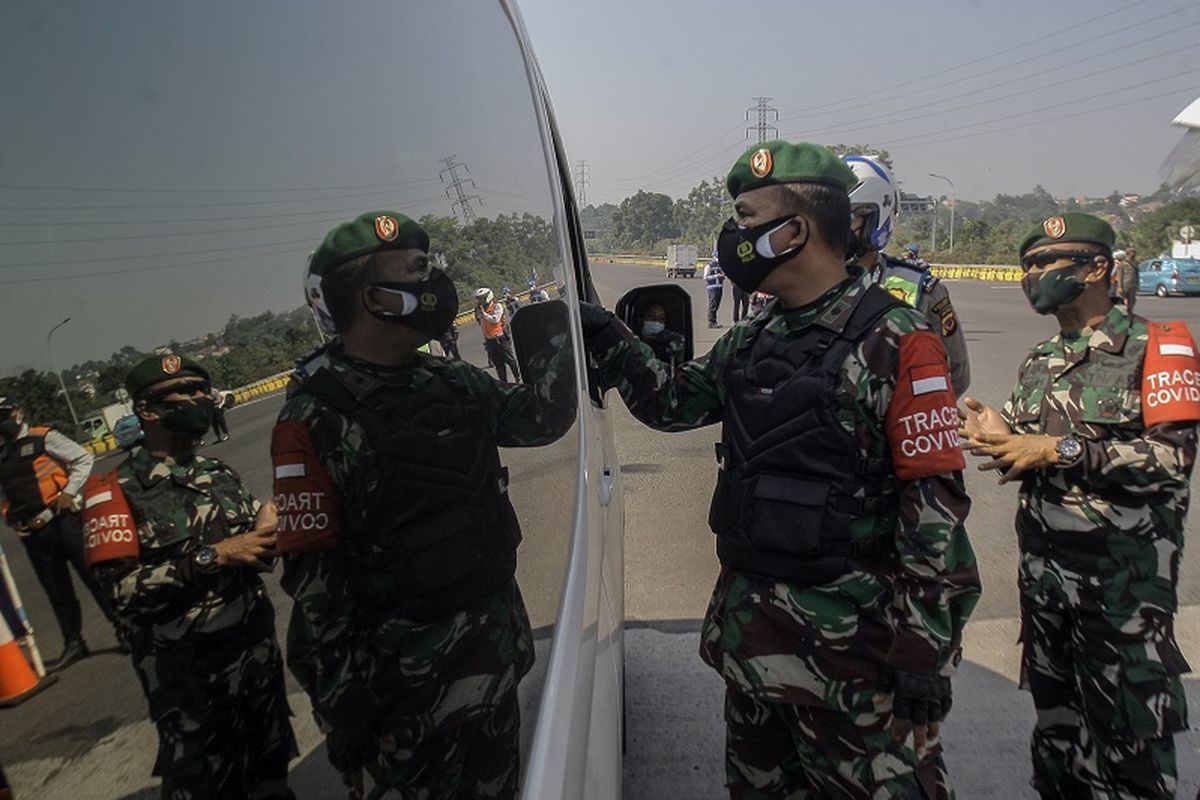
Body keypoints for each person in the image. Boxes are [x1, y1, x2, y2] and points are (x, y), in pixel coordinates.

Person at [581, 141, 979, 798]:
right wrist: (614, 342)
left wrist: (924, 651)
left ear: (793, 231)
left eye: (746, 219)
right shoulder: (751, 340)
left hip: (853, 662)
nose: (734, 237)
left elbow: (934, 508)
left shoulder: (899, 339)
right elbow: (674, 405)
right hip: (754, 650)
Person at [275, 211, 573, 798]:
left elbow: (540, 419)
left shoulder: (454, 382)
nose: (434, 282)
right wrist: (349, 724)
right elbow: (317, 596)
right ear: (373, 297)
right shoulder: (313, 418)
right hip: (403, 703)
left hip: (492, 664)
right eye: (417, 272)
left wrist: (562, 338)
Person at [959, 213, 1194, 800]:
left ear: (1097, 269)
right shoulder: (1039, 360)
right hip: (1046, 592)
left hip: (1121, 599)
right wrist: (999, 430)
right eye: (1029, 265)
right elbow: (1025, 446)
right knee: (1058, 748)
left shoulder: (1158, 347)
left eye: (1049, 262)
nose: (1034, 274)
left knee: (1130, 758)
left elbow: (1171, 460)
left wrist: (1055, 448)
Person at [82, 354, 296, 799]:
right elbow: (121, 594)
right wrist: (213, 556)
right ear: (148, 410)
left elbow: (254, 558)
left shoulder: (217, 474)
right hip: (191, 686)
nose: (201, 399)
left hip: (256, 666)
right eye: (187, 392)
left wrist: (266, 533)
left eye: (203, 390)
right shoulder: (114, 491)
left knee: (273, 785)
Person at [0, 398, 121, 670]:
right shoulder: (3, 454)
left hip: (63, 520)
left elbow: (82, 457)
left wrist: (69, 492)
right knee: (56, 589)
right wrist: (10, 519)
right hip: (32, 532)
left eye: (3, 415)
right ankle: (74, 642)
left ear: (17, 413)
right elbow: (3, 493)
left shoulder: (43, 437)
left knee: (95, 576)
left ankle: (123, 629)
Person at [844, 155, 971, 395]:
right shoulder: (803, 283)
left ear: (877, 216)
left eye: (848, 218)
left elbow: (956, 374)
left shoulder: (919, 289)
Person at [474, 287, 521, 382]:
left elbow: (495, 320)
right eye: (479, 298)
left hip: (500, 337)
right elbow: (480, 322)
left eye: (482, 298)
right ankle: (504, 383)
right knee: (498, 364)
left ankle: (517, 377)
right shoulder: (478, 310)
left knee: (510, 360)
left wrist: (484, 314)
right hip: (489, 340)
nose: (480, 301)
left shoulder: (497, 306)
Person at [638, 302, 686, 373]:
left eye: (661, 319)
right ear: (641, 320)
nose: (656, 321)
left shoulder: (671, 340)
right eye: (651, 316)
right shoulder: (633, 342)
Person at [703, 256, 725, 328]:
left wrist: (722, 276)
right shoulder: (709, 266)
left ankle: (714, 321)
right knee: (713, 304)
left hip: (719, 287)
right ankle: (711, 322)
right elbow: (705, 277)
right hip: (712, 288)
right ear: (714, 257)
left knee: (717, 304)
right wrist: (716, 276)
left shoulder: (720, 266)